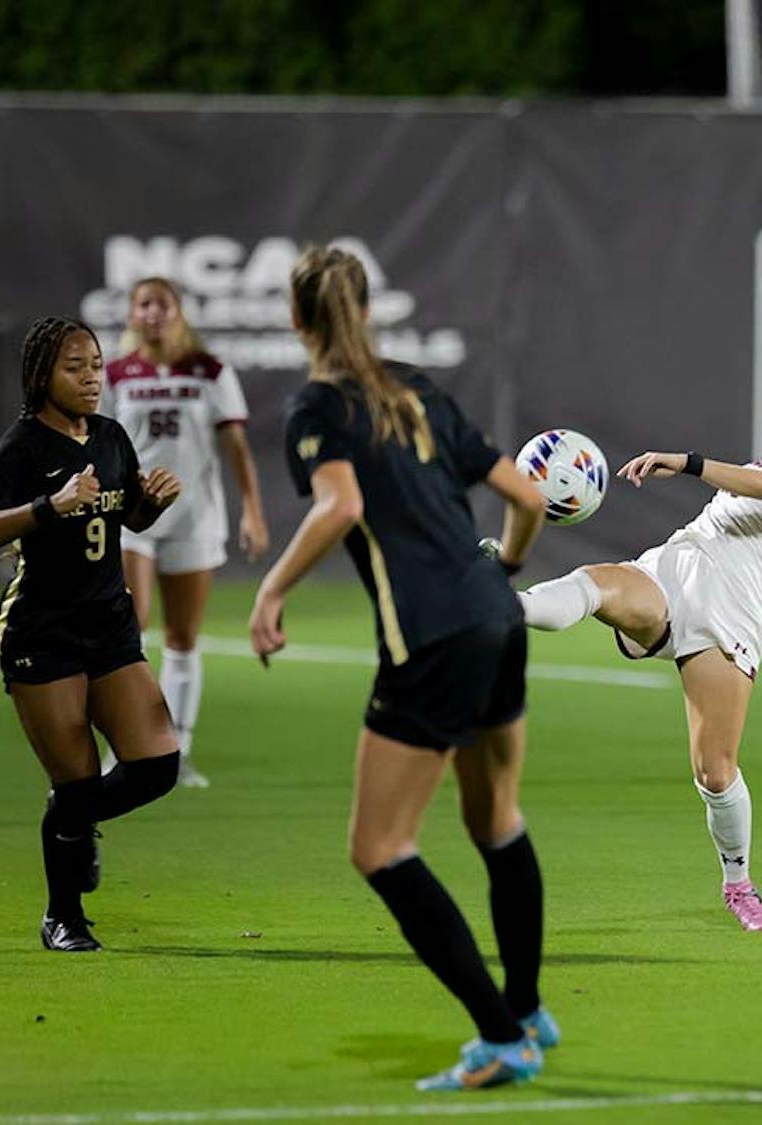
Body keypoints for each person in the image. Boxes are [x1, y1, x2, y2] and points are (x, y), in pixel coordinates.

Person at [247, 246, 553, 1092]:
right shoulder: (418, 386)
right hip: (497, 614)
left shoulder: (318, 405)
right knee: (496, 818)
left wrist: (271, 590)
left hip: (431, 638)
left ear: (297, 320)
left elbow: (339, 503)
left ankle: (501, 1038)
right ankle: (526, 1011)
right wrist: (507, 571)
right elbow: (526, 499)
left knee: (380, 847)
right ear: (370, 309)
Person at [516, 355, 762, 930]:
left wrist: (688, 463)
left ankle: (740, 886)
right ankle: (501, 604)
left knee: (714, 771)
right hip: (674, 570)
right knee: (596, 585)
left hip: (728, 619)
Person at [0, 316, 183, 952]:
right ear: (41, 377)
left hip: (108, 621)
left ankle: (74, 824)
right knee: (78, 783)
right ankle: (64, 917)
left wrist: (152, 504)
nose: (91, 379)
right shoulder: (22, 448)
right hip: (42, 627)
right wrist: (47, 506)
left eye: (95, 365)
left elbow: (125, 520)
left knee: (157, 765)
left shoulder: (110, 438)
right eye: (74, 368)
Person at [101, 277, 270, 788]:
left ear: (180, 312)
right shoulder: (116, 374)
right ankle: (126, 751)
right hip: (134, 517)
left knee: (182, 637)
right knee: (128, 630)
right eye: (143, 304)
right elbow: (102, 444)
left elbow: (236, 446)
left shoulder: (210, 371)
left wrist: (252, 510)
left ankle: (177, 753)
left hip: (195, 514)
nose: (153, 313)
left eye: (163, 304)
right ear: (132, 313)